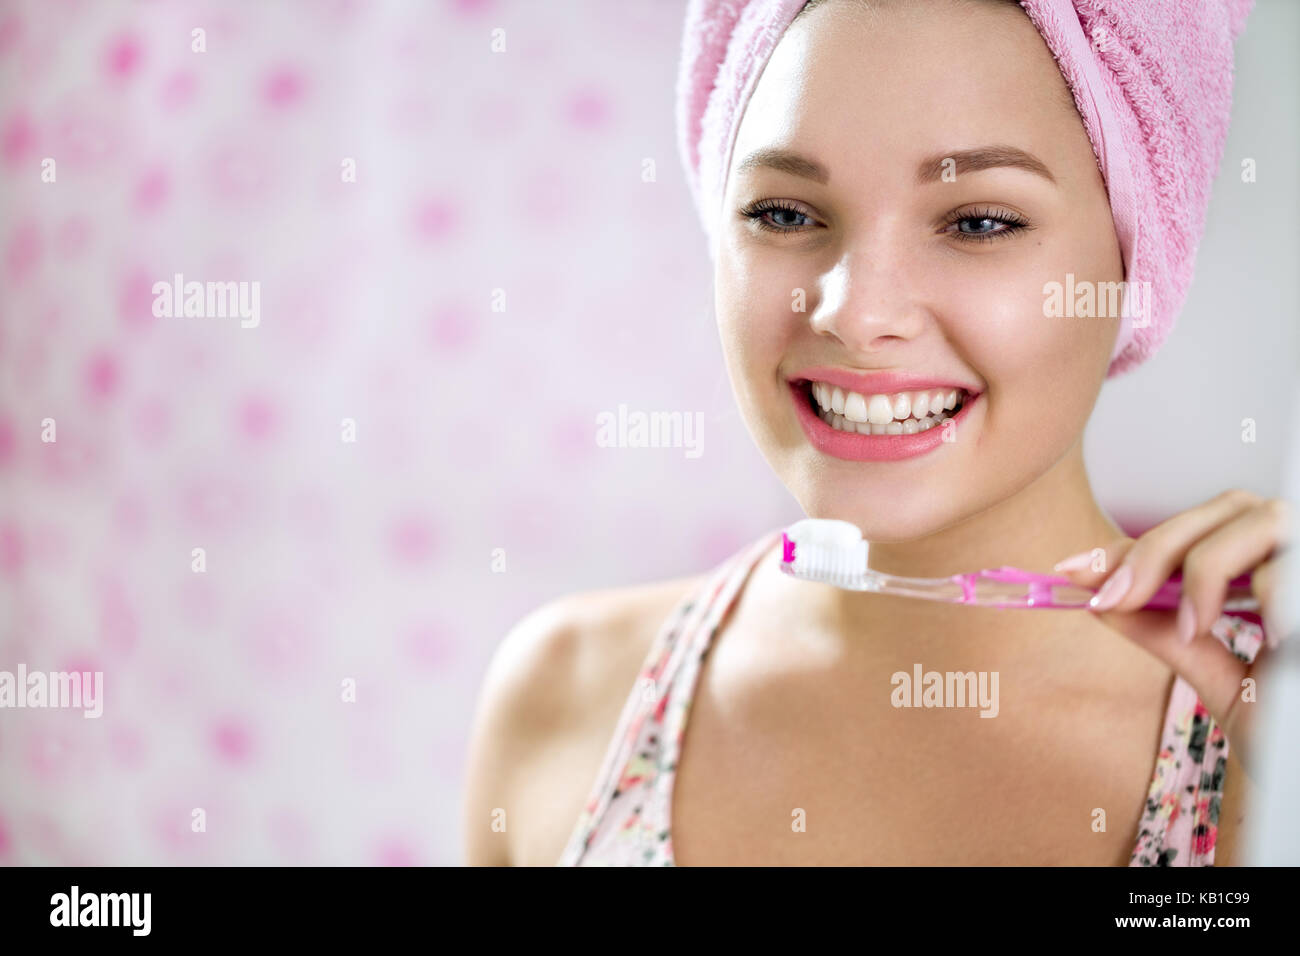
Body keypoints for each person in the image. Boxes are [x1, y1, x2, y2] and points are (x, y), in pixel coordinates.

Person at [463, 0, 1289, 866]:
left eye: (978, 223)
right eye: (783, 213)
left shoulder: (1263, 730)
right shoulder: (564, 693)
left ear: (1135, 258)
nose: (855, 314)